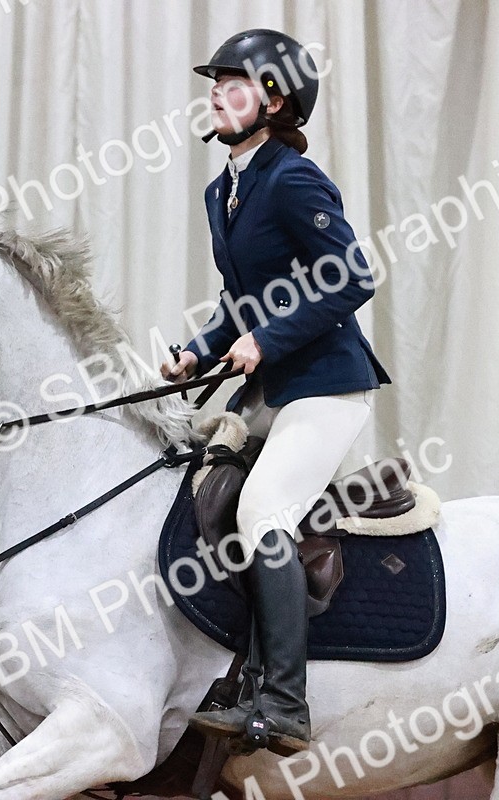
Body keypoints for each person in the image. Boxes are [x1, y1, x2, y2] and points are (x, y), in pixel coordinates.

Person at [160, 29, 391, 756]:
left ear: (275, 100)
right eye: (215, 84)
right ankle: (232, 671)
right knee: (198, 491)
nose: (216, 95)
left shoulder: (292, 178)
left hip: (324, 384)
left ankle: (286, 701)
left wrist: (267, 340)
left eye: (233, 85)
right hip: (273, 384)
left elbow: (351, 278)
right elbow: (243, 295)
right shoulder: (222, 188)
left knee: (264, 510)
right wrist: (198, 349)